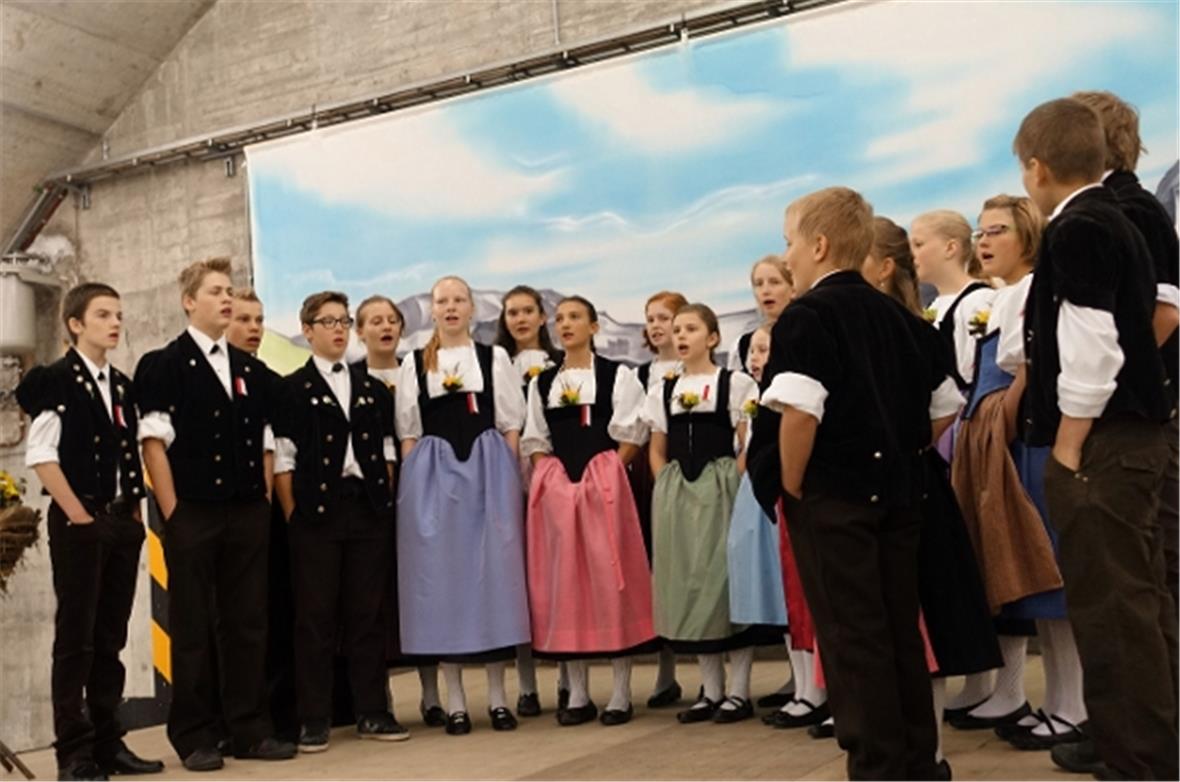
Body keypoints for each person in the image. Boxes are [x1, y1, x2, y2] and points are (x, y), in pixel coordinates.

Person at [753, 186, 963, 780]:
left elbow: (799, 412)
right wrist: (903, 446)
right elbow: (945, 406)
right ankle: (919, 761)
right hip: (902, 495)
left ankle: (877, 766)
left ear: (818, 246)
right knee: (898, 628)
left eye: (789, 241)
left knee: (851, 639)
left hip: (835, 500)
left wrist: (793, 484)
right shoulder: (906, 320)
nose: (787, 256)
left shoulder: (808, 316)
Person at [1015, 97, 1176, 780]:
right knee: (1138, 600)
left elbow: (1093, 343)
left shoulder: (1080, 226)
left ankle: (1136, 758)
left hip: (1102, 442)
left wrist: (1072, 441)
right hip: (1133, 435)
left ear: (1036, 167)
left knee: (1112, 607)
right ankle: (1153, 747)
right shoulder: (1114, 218)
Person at [134, 258, 295, 771]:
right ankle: (194, 734)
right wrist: (174, 513)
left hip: (246, 511)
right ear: (189, 301)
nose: (227, 300)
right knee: (194, 625)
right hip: (193, 513)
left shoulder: (251, 370)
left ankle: (249, 729)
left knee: (248, 623)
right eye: (215, 292)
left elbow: (271, 439)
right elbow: (153, 443)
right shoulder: (163, 364)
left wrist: (262, 499)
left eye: (229, 291)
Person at [949, 196, 1085, 749]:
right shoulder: (1004, 296)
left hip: (1025, 438)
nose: (984, 242)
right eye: (981, 232)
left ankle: (1072, 703)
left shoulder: (1028, 293)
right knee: (1035, 580)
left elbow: (1024, 371)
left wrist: (997, 429)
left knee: (1051, 576)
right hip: (1008, 440)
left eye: (997, 231)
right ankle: (1057, 699)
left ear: (1026, 235)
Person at [16, 283, 164, 782]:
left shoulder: (121, 385)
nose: (115, 323)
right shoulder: (56, 380)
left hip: (123, 521)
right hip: (83, 523)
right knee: (75, 641)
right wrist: (79, 515)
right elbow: (40, 455)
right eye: (103, 314)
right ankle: (73, 754)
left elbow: (129, 456)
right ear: (75, 324)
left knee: (110, 638)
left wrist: (135, 517)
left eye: (119, 314)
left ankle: (107, 743)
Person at [394, 276, 530, 736]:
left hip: (489, 474)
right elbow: (408, 431)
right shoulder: (414, 364)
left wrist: (510, 479)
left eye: (458, 300)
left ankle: (497, 698)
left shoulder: (494, 359)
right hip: (435, 480)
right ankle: (454, 701)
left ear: (472, 309)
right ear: (432, 311)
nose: (450, 308)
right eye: (442, 301)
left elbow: (511, 423)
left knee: (494, 579)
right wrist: (415, 491)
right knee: (444, 583)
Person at [273, 291, 406, 752]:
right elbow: (283, 461)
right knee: (315, 618)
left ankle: (373, 711)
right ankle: (314, 718)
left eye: (343, 321)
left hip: (366, 510)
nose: (337, 329)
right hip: (316, 516)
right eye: (326, 322)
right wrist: (295, 516)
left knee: (367, 615)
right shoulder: (291, 389)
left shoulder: (369, 387)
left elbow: (387, 453)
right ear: (307, 331)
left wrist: (381, 498)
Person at [521, 295, 655, 727]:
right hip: (562, 494)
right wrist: (554, 481)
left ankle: (620, 692)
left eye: (575, 317)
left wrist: (610, 469)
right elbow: (535, 441)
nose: (566, 325)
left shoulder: (618, 376)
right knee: (567, 584)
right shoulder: (541, 383)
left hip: (604, 489)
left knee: (609, 582)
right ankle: (577, 692)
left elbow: (633, 431)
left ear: (594, 326)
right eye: (560, 319)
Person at [645, 303, 762, 725]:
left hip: (721, 488)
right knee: (690, 584)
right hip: (680, 494)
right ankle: (710, 690)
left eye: (691, 328)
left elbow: (747, 440)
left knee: (726, 583)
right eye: (677, 329)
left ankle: (739, 690)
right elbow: (656, 447)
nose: (681, 336)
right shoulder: (663, 388)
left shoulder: (735, 384)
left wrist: (732, 478)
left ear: (712, 338)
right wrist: (667, 484)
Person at [352, 294, 447, 728]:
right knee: (376, 599)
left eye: (392, 320)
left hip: (419, 490)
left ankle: (431, 693)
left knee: (421, 589)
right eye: (375, 321)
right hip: (370, 500)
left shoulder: (419, 370)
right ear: (360, 330)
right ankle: (380, 697)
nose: (385, 327)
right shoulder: (349, 378)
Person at [494, 284, 563, 717]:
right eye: (511, 313)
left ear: (542, 317)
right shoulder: (495, 364)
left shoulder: (560, 368)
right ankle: (524, 683)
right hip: (507, 475)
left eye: (527, 311)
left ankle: (563, 676)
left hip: (550, 476)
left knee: (551, 574)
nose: (519, 319)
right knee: (515, 576)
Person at [632, 290, 689, 709]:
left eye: (664, 317)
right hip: (648, 482)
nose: (656, 325)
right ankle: (665, 671)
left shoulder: (709, 374)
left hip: (693, 477)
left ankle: (716, 671)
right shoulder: (636, 377)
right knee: (658, 568)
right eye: (650, 318)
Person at [910, 210, 995, 391]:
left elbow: (979, 371)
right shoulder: (934, 306)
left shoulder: (978, 302)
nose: (911, 254)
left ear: (950, 248)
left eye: (918, 245)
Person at [727, 256, 793, 372]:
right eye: (758, 284)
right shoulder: (742, 346)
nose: (765, 291)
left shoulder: (808, 334)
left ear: (793, 288)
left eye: (774, 282)